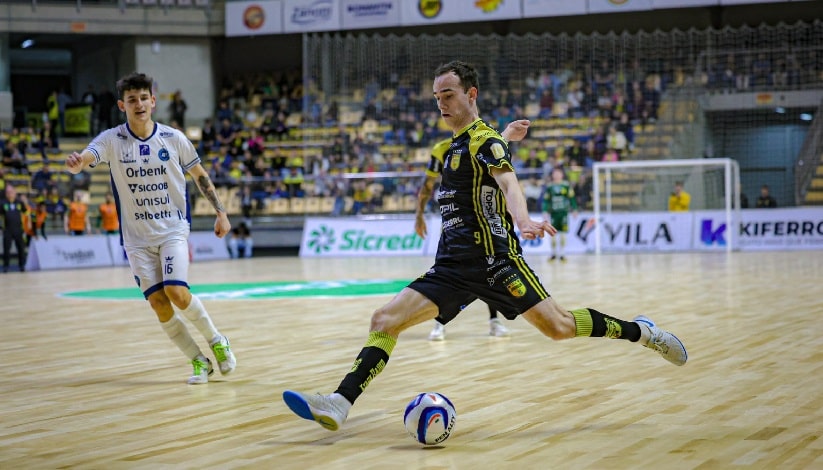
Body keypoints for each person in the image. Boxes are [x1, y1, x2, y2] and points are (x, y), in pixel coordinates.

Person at [282, 60, 687, 432]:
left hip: (496, 262)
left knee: (559, 328)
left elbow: (507, 181)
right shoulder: (457, 145)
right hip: (452, 266)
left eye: (449, 96)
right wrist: (507, 137)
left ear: (470, 94)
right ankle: (339, 401)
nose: (441, 104)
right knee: (384, 320)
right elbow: (491, 156)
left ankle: (642, 333)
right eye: (437, 98)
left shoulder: (483, 139)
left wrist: (522, 219)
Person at [65, 72, 237, 385]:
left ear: (153, 102)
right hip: (136, 240)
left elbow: (200, 175)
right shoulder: (111, 140)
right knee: (159, 304)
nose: (139, 104)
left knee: (176, 292)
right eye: (132, 99)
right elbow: (90, 154)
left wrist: (220, 212)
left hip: (172, 230)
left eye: (144, 98)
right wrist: (79, 162)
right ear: (122, 105)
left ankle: (217, 340)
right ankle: (198, 361)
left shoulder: (174, 138)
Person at [424, 118, 531, 341]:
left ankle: (494, 321)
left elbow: (493, 160)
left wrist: (507, 134)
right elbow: (429, 184)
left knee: (488, 276)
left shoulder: (481, 142)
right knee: (448, 278)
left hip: (483, 222)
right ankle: (439, 324)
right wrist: (419, 213)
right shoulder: (443, 149)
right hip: (456, 225)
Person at [542, 167, 578, 262]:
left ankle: (562, 254)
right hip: (553, 214)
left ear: (562, 175)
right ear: (553, 175)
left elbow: (572, 198)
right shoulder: (550, 187)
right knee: (552, 235)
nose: (557, 175)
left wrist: (575, 209)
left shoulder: (566, 186)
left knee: (562, 235)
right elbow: (546, 200)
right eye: (555, 173)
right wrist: (545, 211)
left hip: (563, 214)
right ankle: (553, 253)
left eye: (559, 173)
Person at [1, 185, 29, 272]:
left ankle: (22, 266)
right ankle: (6, 266)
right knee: (6, 249)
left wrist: (27, 225)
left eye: (11, 192)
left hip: (18, 229)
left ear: (15, 193)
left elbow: (26, 212)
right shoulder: (2, 203)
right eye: (8, 192)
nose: (10, 194)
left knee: (21, 248)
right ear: (6, 194)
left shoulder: (19, 202)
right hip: (7, 230)